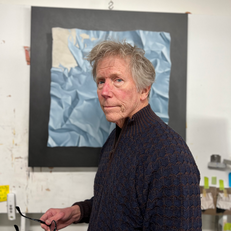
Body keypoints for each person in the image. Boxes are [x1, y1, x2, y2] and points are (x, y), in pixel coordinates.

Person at [40, 41, 202, 230]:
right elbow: (119, 205)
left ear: (144, 90)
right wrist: (77, 212)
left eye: (118, 80)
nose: (105, 92)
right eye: (101, 81)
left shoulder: (170, 156)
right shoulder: (116, 137)